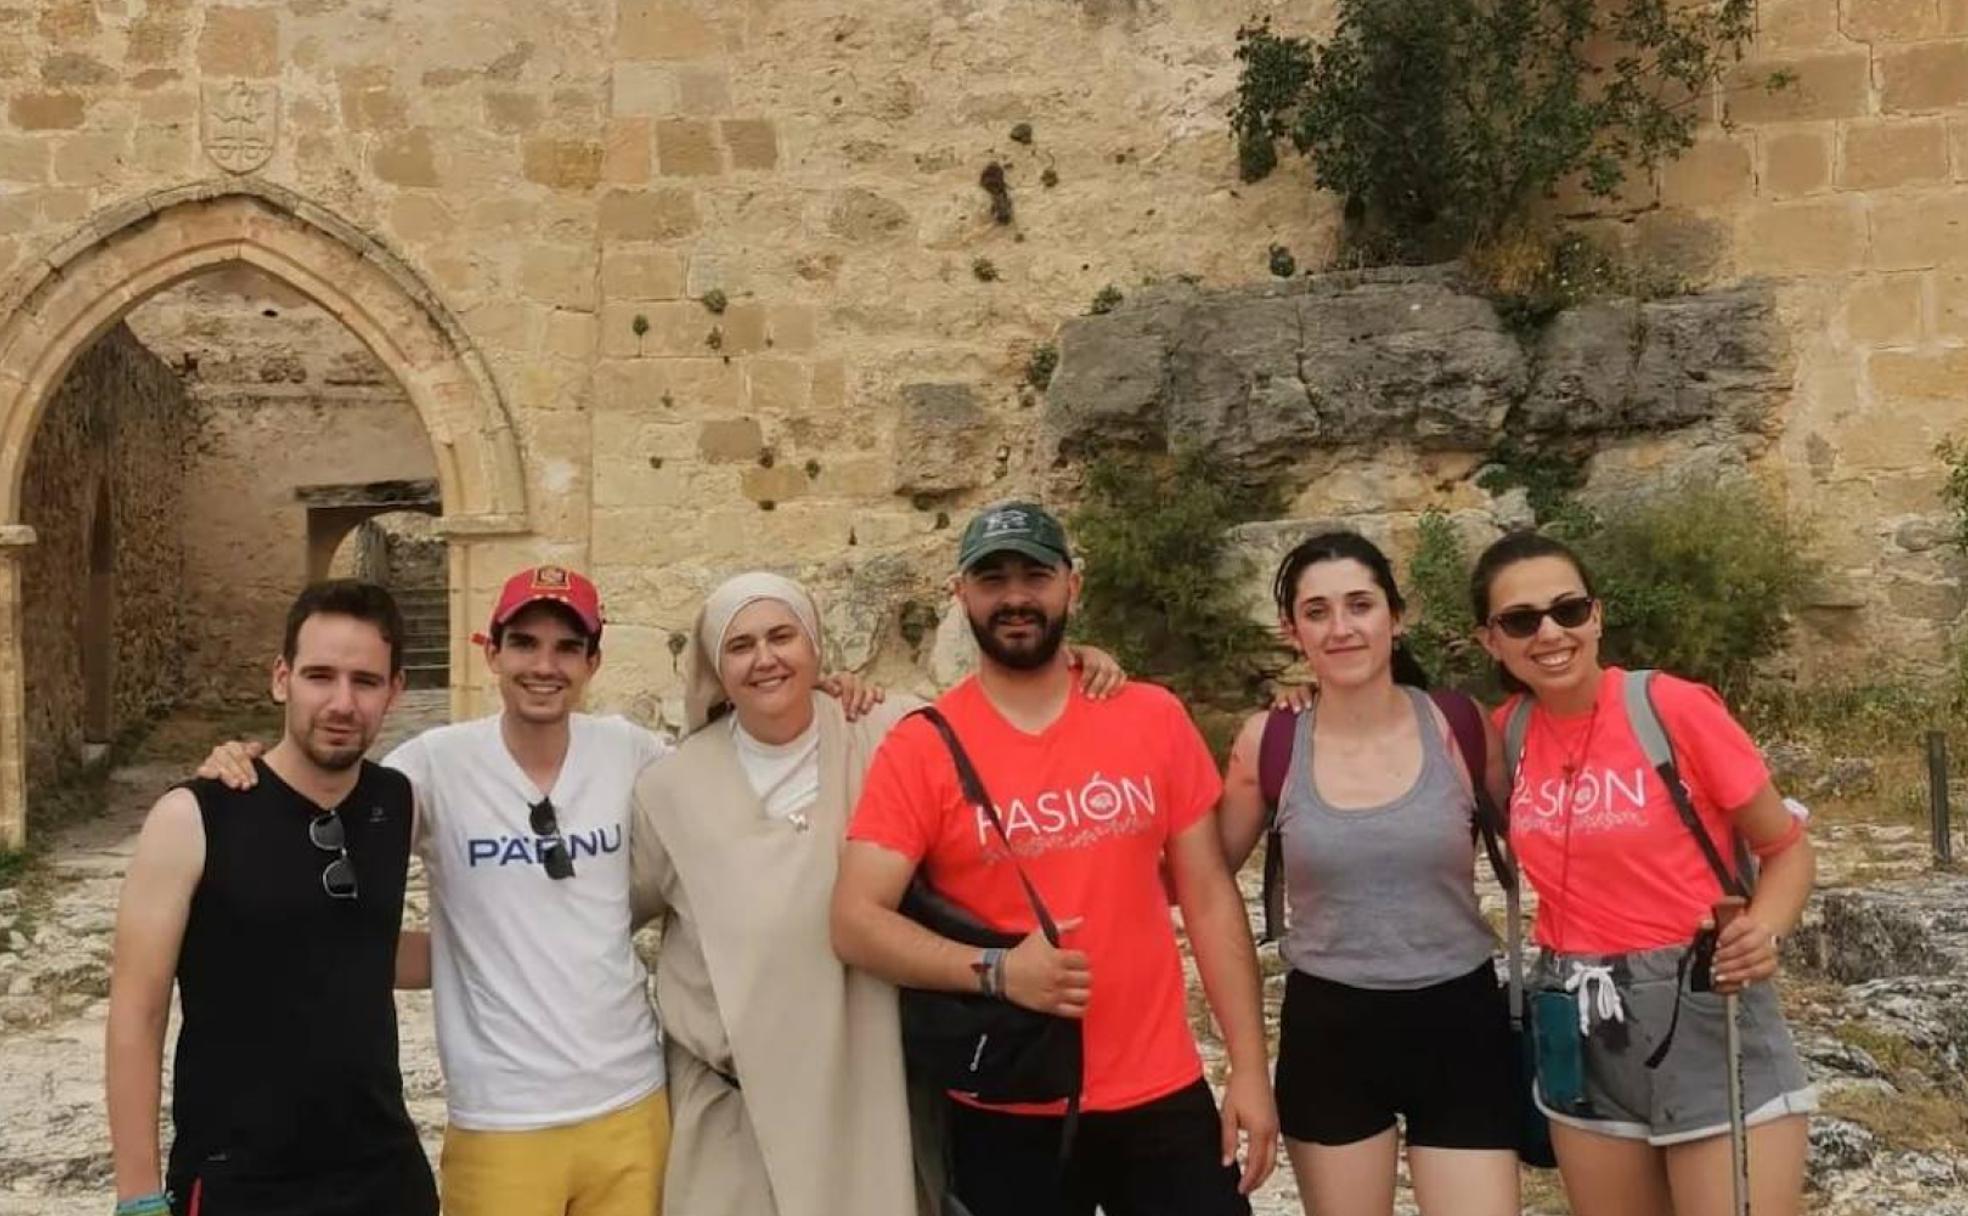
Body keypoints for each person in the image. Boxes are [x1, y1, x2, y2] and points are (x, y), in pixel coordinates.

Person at [628, 569, 1127, 1216]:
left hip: (877, 1098)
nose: (766, 659)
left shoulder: (887, 732)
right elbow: (611, 911)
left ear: (814, 645)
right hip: (738, 1111)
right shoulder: (669, 791)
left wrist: (1075, 662)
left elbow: (1002, 720)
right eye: (740, 645)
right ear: (713, 666)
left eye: (783, 636)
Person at [832, 501, 1279, 1216]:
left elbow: (1209, 898)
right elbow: (854, 920)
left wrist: (1250, 1072)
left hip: (1160, 1092)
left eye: (1034, 575)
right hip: (1007, 1103)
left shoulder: (1151, 716)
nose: (1014, 597)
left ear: (1072, 586)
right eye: (992, 579)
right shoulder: (923, 746)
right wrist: (999, 972)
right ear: (961, 596)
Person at [1470, 530, 1815, 1216]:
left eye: (1568, 610)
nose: (1550, 633)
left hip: (1703, 1003)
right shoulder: (1505, 735)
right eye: (1521, 620)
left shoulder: (1670, 708)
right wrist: (1310, 704)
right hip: (1578, 1017)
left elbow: (1788, 848)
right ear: (1491, 641)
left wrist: (1764, 930)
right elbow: (1396, 726)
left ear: (1596, 616)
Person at [106, 580, 438, 1216]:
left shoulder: (398, 803)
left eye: (365, 681)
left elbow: (357, 948)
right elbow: (135, 1014)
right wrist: (138, 1197)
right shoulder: (193, 817)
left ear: (395, 691)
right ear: (281, 679)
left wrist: (530, 944)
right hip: (241, 1184)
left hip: (384, 1177)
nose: (342, 702)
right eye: (320, 675)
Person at [1217, 532, 1520, 1216]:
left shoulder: (1461, 725)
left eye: (1360, 604)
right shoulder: (1269, 743)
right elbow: (1198, 881)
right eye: (1318, 612)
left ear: (1396, 616)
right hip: (1332, 1031)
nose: (1342, 627)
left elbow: (1554, 842)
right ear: (1293, 632)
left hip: (1460, 1021)